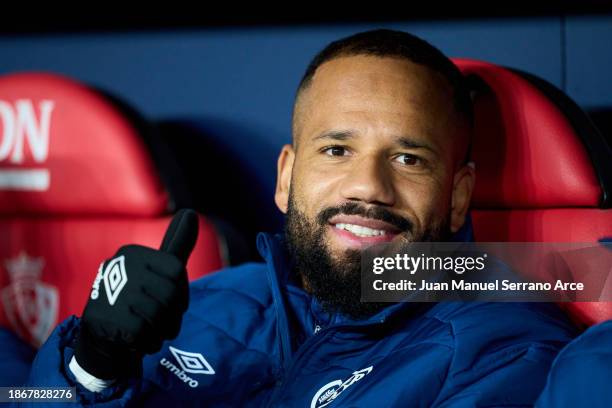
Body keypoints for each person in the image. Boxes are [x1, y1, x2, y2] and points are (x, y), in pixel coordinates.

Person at [22, 29, 576, 407]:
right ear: (286, 177)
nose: (368, 188)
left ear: (457, 197)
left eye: (408, 159)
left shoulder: (503, 349)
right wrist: (89, 365)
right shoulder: (209, 302)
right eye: (336, 150)